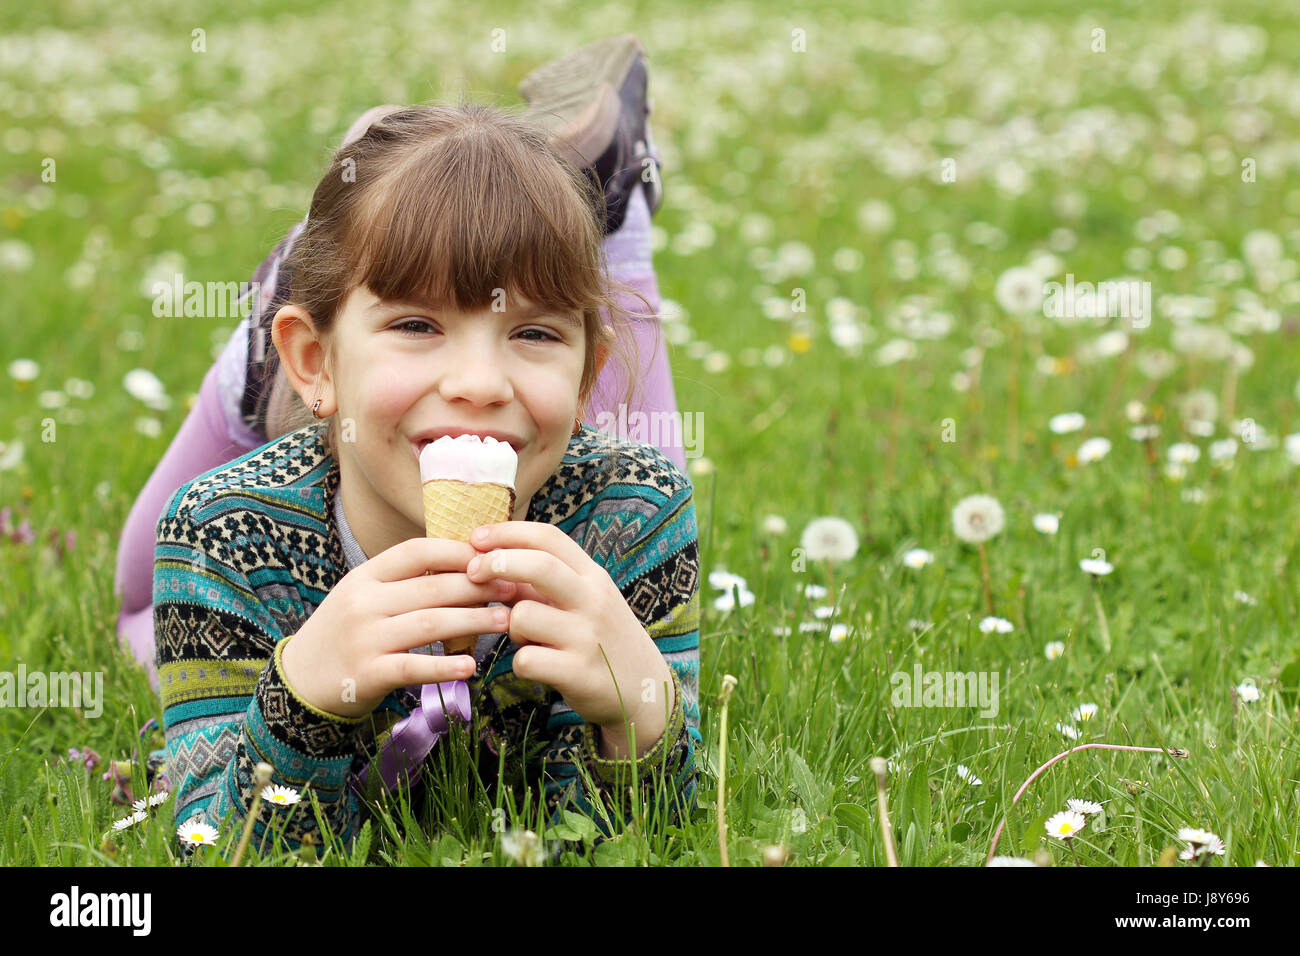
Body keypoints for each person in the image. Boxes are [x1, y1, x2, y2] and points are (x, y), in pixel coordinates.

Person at [148, 37, 701, 860]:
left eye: (536, 332)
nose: (480, 381)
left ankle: (618, 229)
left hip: (431, 416)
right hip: (300, 418)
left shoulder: (634, 518)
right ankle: (279, 334)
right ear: (317, 362)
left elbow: (634, 840)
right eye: (416, 323)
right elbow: (206, 842)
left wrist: (641, 716)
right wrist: (302, 698)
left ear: (586, 378)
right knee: (133, 597)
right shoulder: (222, 534)